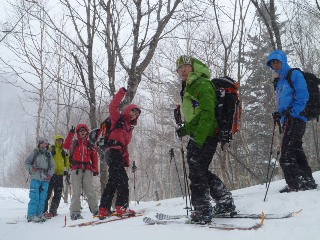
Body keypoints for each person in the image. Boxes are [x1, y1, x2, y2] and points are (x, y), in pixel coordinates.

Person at [175, 55, 236, 224]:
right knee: (199, 170)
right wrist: (185, 130)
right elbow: (198, 115)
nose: (182, 70)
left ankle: (202, 210)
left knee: (196, 171)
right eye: (179, 69)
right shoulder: (190, 87)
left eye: (185, 66)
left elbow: (208, 113)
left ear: (193, 67)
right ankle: (224, 202)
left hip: (206, 135)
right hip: (200, 135)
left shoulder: (202, 84)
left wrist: (199, 138)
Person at [266, 50, 317, 193]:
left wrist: (293, 113)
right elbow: (285, 102)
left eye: (277, 62)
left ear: (283, 60)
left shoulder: (294, 74)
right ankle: (307, 181)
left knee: (286, 153)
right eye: (272, 63)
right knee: (296, 149)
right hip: (289, 118)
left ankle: (295, 184)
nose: (275, 65)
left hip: (296, 118)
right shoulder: (281, 80)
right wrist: (280, 114)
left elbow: (303, 95)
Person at [98, 87, 141, 218]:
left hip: (118, 154)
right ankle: (121, 207)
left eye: (136, 114)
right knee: (122, 180)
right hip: (112, 151)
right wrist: (122, 92)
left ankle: (104, 208)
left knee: (113, 180)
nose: (134, 114)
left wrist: (126, 160)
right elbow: (113, 106)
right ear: (128, 110)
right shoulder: (119, 118)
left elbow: (125, 146)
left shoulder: (129, 129)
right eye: (133, 111)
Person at [63, 124, 99, 220]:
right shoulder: (74, 143)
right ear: (78, 133)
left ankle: (95, 209)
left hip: (87, 169)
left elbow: (94, 157)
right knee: (76, 191)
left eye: (84, 131)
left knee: (90, 191)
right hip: (76, 169)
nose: (82, 132)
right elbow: (65, 145)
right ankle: (75, 212)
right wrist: (71, 133)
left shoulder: (90, 144)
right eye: (80, 131)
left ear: (87, 133)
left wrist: (95, 169)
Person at [25, 137, 55, 222]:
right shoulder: (35, 152)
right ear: (39, 143)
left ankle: (40, 214)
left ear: (47, 144)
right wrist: (31, 169)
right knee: (34, 197)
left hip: (45, 179)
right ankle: (31, 215)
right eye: (42, 142)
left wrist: (50, 174)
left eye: (45, 143)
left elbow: (53, 166)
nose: (43, 144)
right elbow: (26, 163)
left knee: (43, 198)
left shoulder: (49, 154)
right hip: (35, 178)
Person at [43, 135, 70, 218]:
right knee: (47, 193)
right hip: (51, 175)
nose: (60, 142)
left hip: (60, 176)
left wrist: (67, 172)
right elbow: (44, 158)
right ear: (55, 141)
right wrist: (51, 153)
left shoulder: (63, 151)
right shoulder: (51, 149)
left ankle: (53, 211)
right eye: (58, 140)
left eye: (61, 141)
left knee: (58, 194)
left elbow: (67, 164)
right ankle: (43, 211)